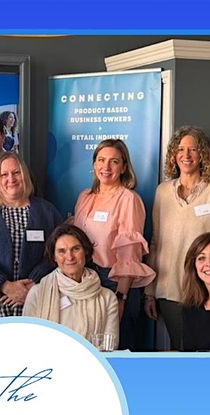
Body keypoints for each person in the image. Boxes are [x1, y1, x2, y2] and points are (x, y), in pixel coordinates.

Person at [145, 126, 210, 349]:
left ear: (203, 154)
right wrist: (149, 292)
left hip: (206, 289)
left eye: (193, 149)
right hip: (168, 288)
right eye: (180, 149)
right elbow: (156, 242)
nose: (186, 155)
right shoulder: (162, 192)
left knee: (205, 350)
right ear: (173, 155)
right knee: (179, 349)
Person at [73, 139, 154, 349]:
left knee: (117, 348)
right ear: (94, 164)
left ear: (124, 167)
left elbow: (130, 253)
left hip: (114, 283)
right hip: (86, 281)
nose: (106, 167)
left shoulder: (128, 199)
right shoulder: (84, 197)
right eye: (101, 160)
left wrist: (121, 297)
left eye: (114, 161)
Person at [0, 151, 64, 319]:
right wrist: (4, 284)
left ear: (24, 175)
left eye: (16, 172)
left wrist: (33, 284)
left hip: (37, 300)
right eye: (4, 174)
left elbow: (59, 252)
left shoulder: (47, 211)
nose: (11, 178)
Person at [24, 224, 119, 349]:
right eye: (61, 251)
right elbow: (28, 342)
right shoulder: (37, 293)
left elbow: (109, 347)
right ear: (54, 257)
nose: (69, 257)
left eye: (75, 249)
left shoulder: (107, 298)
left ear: (85, 251)